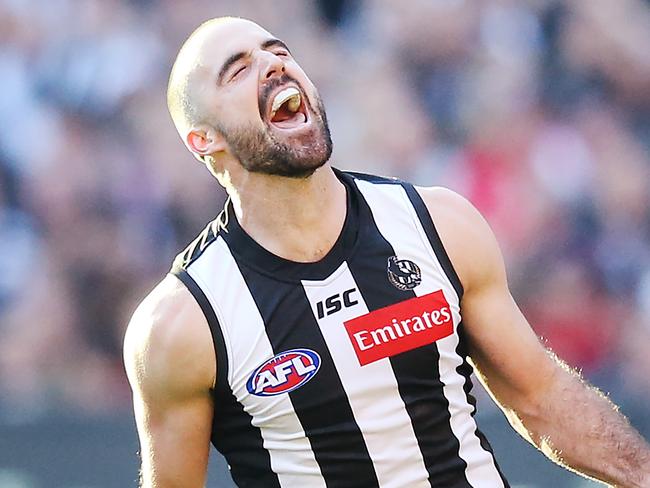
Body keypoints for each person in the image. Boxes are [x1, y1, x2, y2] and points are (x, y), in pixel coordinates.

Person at [123, 16, 650, 488]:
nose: (273, 66)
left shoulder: (438, 223)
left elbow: (542, 398)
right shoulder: (181, 323)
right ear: (202, 140)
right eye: (237, 70)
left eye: (278, 51)